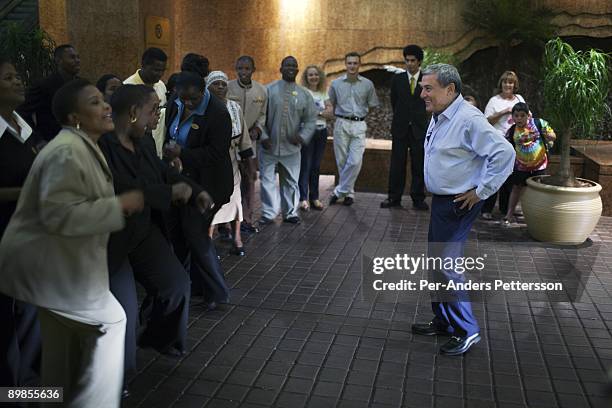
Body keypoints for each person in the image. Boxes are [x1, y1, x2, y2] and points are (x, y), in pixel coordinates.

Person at [0, 78, 144, 406]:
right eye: (94, 102)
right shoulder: (67, 151)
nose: (107, 106)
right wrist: (119, 205)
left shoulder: (82, 145)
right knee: (111, 322)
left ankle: (52, 397)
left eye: (102, 99)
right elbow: (59, 215)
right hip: (47, 269)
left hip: (56, 268)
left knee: (60, 360)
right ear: (73, 117)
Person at [99, 85, 212, 395]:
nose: (158, 117)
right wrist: (167, 193)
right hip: (112, 239)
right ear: (133, 113)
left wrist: (194, 190)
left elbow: (163, 173)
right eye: (154, 110)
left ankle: (160, 339)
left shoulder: (144, 142)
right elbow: (120, 190)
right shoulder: (101, 147)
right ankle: (114, 383)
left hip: (144, 231)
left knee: (177, 285)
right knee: (124, 312)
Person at [411, 64, 515, 355]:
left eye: (428, 88)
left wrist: (481, 191)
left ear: (450, 89)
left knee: (446, 265)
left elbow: (505, 153)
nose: (422, 94)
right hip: (444, 202)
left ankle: (467, 330)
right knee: (436, 263)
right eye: (422, 87)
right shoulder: (441, 115)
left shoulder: (469, 119)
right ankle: (444, 320)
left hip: (459, 202)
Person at [164, 71, 232, 308]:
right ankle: (193, 287)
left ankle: (217, 292)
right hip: (181, 181)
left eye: (193, 99)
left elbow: (216, 153)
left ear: (203, 92)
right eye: (183, 99)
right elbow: (169, 135)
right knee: (179, 235)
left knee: (196, 233)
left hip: (209, 183)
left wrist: (183, 154)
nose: (188, 103)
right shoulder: (176, 102)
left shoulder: (218, 113)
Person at [0, 57, 42, 387]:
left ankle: (25, 384)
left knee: (30, 312)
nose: (18, 81)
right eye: (9, 77)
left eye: (17, 76)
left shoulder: (22, 126)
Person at [259, 56, 316, 225]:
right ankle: (269, 214)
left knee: (290, 181)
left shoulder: (304, 94)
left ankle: (290, 213)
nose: (290, 68)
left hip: (291, 148)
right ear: (281, 69)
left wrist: (302, 136)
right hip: (269, 145)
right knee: (267, 180)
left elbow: (311, 119)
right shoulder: (268, 90)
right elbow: (259, 116)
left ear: (297, 70)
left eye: (294, 66)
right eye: (287, 65)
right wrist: (263, 137)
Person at [206, 71, 255, 256]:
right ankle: (208, 241)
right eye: (215, 84)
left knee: (234, 200)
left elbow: (244, 138)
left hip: (232, 160)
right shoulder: (204, 108)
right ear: (207, 87)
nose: (220, 87)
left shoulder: (234, 108)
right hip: (211, 161)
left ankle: (237, 239)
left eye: (223, 84)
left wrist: (249, 162)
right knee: (212, 201)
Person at [381, 45, 429, 211]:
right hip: (400, 128)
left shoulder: (427, 80)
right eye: (407, 60)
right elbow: (394, 102)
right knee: (397, 165)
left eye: (413, 60)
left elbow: (430, 103)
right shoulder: (398, 79)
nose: (409, 64)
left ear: (419, 61)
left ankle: (418, 199)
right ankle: (394, 198)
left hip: (419, 129)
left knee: (419, 164)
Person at [328, 51, 379, 206]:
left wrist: (360, 117)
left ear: (359, 65)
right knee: (342, 161)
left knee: (355, 160)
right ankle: (349, 193)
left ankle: (338, 192)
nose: (352, 66)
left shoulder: (367, 84)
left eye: (355, 63)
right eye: (349, 63)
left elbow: (372, 105)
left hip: (358, 124)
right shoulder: (336, 84)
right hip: (341, 123)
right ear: (345, 64)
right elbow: (331, 104)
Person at [227, 55, 267, 232]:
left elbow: (263, 115)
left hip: (249, 142)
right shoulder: (227, 87)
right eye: (240, 69)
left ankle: (248, 219)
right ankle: (228, 222)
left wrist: (258, 129)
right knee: (231, 180)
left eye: (247, 69)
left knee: (250, 178)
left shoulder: (261, 91)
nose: (243, 72)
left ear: (253, 70)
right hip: (229, 142)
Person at [481, 71, 526, 220]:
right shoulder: (494, 101)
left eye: (511, 82)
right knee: (494, 176)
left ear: (515, 85)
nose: (508, 85)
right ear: (501, 83)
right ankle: (486, 209)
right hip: (497, 143)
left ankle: (505, 208)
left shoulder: (519, 99)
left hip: (515, 144)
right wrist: (504, 111)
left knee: (509, 178)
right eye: (505, 82)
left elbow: (529, 117)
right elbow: (487, 121)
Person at [503, 102, 556, 226]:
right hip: (521, 166)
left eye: (522, 115)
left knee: (538, 190)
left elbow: (553, 137)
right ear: (513, 117)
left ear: (528, 116)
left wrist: (547, 135)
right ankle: (509, 214)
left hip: (540, 164)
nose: (519, 118)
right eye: (516, 116)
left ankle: (537, 216)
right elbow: (506, 147)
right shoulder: (511, 131)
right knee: (516, 188)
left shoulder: (539, 123)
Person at [18, 44, 80, 141]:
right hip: (54, 140)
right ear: (59, 61)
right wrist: (37, 139)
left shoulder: (81, 84)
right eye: (72, 57)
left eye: (78, 57)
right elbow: (22, 111)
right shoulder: (44, 85)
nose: (77, 61)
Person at [298, 65, 333, 211]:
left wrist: (315, 113)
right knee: (305, 165)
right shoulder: (303, 92)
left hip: (321, 132)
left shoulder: (323, 93)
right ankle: (303, 199)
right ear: (306, 77)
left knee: (316, 165)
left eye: (316, 75)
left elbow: (330, 113)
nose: (314, 77)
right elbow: (301, 112)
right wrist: (320, 112)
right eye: (310, 75)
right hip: (308, 132)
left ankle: (315, 198)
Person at [124, 47, 168, 157]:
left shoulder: (161, 85)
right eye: (156, 70)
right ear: (143, 64)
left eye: (163, 70)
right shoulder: (128, 87)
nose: (160, 74)